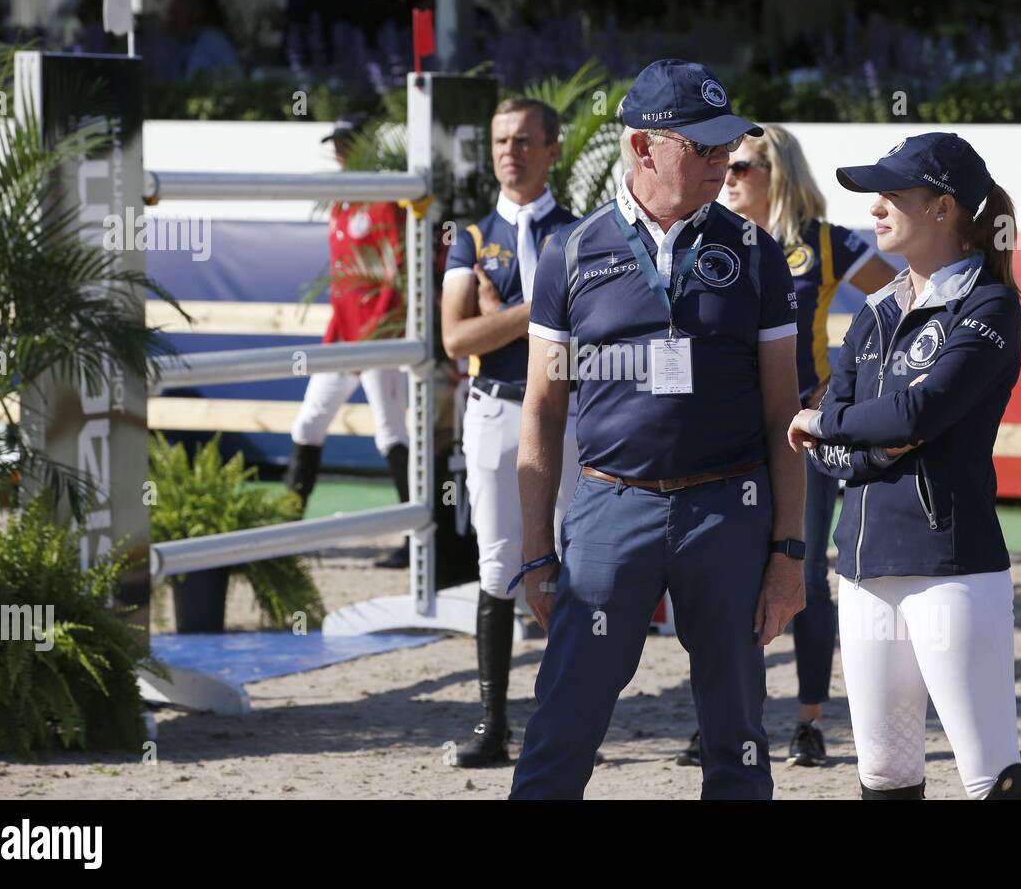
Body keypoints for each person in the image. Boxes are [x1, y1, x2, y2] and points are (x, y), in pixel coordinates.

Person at [509, 59, 806, 800]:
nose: (722, 164)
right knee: (562, 725)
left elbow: (783, 413)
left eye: (726, 149)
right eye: (702, 148)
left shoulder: (756, 254)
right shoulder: (569, 252)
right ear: (643, 148)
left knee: (737, 736)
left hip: (728, 512)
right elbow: (543, 410)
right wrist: (537, 551)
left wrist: (789, 551)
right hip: (611, 510)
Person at [788, 131, 1021, 800]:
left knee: (990, 775)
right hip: (866, 567)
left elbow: (917, 413)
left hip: (951, 566)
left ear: (943, 208)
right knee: (886, 775)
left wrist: (827, 423)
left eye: (892, 192)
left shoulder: (990, 305)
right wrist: (858, 434)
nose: (875, 207)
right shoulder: (874, 310)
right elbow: (844, 441)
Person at [674, 124, 897, 770]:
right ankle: (721, 721)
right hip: (721, 434)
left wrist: (841, 384)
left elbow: (899, 298)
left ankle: (808, 722)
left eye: (742, 165)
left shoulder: (824, 245)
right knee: (721, 578)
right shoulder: (709, 241)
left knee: (802, 573)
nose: (730, 175)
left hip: (798, 433)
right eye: (726, 165)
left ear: (780, 174)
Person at [440, 98, 580, 767]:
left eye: (524, 140)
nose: (510, 152)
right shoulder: (468, 237)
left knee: (579, 562)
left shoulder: (583, 233)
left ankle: (566, 725)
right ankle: (491, 724)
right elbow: (455, 336)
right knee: (496, 563)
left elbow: (596, 326)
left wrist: (505, 316)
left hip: (570, 412)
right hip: (496, 408)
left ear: (552, 149)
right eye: (500, 140)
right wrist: (536, 311)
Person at [285, 114, 411, 568]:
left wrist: (375, 334)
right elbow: (341, 281)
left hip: (380, 337)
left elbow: (397, 273)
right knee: (308, 423)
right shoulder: (340, 203)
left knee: (390, 432)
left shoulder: (383, 201)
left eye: (347, 143)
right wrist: (337, 337)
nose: (340, 152)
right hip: (344, 338)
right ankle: (289, 529)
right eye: (336, 144)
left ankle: (417, 538)